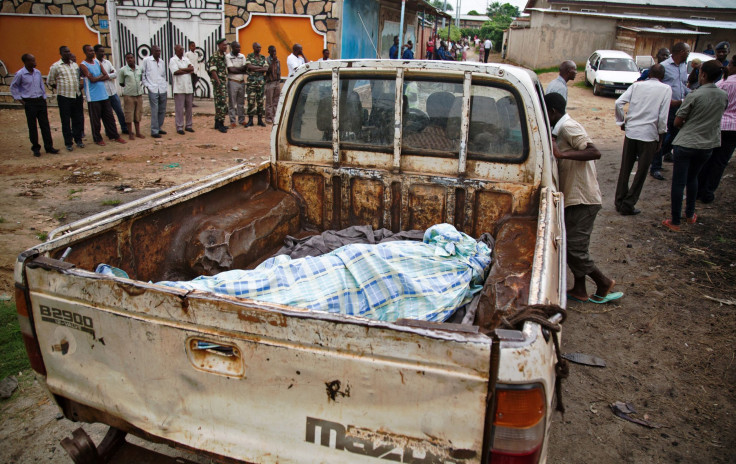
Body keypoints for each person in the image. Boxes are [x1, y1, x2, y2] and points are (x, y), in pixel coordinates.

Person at [544, 92, 621, 304]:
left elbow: (594, 152)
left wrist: (561, 155)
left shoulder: (569, 127)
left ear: (552, 111)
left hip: (583, 198)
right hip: (575, 197)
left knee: (574, 248)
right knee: (572, 242)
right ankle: (579, 288)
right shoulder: (560, 128)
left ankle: (603, 282)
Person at [662, 60, 728, 232]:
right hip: (707, 145)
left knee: (678, 182)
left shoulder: (695, 95)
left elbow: (677, 121)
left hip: (686, 143)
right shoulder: (722, 95)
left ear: (703, 74)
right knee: (693, 178)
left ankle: (675, 221)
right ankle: (690, 215)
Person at [614, 64, 671, 215]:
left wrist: (622, 122)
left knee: (625, 168)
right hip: (649, 135)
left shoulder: (637, 86)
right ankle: (628, 204)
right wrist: (661, 136)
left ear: (648, 74)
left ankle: (619, 201)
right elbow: (663, 117)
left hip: (632, 132)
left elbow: (618, 102)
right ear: (662, 77)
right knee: (641, 172)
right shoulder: (665, 89)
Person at [698, 57, 736, 203]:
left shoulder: (724, 83)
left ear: (733, 66)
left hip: (718, 124)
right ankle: (708, 193)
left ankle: (699, 190)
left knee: (707, 158)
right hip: (733, 128)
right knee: (720, 162)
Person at [650, 42, 690, 181]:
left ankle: (657, 157)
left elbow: (683, 86)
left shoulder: (684, 66)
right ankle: (655, 167)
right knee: (662, 134)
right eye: (687, 51)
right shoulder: (665, 67)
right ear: (680, 51)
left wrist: (691, 94)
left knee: (676, 136)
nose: (688, 54)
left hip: (680, 106)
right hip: (667, 107)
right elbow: (657, 86)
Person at [10, 53, 59, 156]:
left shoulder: (37, 73)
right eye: (32, 60)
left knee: (45, 125)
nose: (34, 62)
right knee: (32, 126)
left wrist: (44, 97)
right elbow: (13, 87)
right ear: (26, 62)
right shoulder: (20, 74)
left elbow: (41, 85)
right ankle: (36, 148)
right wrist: (21, 100)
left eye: (34, 60)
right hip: (29, 102)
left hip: (40, 101)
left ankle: (49, 147)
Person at [79, 45, 125, 146]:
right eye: (89, 51)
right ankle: (97, 138)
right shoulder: (83, 65)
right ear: (85, 52)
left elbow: (105, 75)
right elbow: (92, 79)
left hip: (104, 95)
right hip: (93, 97)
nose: (91, 53)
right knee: (95, 120)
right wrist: (101, 77)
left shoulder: (97, 62)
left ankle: (114, 135)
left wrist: (98, 77)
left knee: (109, 117)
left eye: (92, 51)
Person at [47, 45, 85, 151]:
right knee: (66, 121)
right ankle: (68, 143)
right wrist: (60, 88)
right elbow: (50, 81)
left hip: (76, 95)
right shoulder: (56, 66)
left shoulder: (74, 65)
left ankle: (78, 140)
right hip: (64, 97)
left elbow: (79, 77)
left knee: (77, 119)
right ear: (61, 54)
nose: (67, 53)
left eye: (69, 51)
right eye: (65, 52)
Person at [94, 44, 127, 135]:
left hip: (113, 91)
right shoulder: (94, 64)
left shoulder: (107, 62)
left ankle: (124, 128)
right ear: (96, 52)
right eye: (101, 51)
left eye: (103, 51)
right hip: (103, 94)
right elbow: (96, 77)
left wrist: (106, 76)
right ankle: (109, 131)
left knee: (119, 111)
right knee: (107, 114)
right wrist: (107, 75)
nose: (103, 53)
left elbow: (115, 74)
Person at [141, 45, 168, 138]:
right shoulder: (147, 61)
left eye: (159, 51)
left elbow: (163, 75)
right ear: (152, 51)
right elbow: (143, 74)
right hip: (152, 88)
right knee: (154, 109)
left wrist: (164, 84)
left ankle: (159, 127)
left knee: (162, 109)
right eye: (156, 51)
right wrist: (147, 85)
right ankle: (154, 130)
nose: (158, 52)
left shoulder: (162, 62)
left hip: (162, 88)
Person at [118, 52, 145, 140]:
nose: (130, 59)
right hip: (129, 95)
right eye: (128, 58)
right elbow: (121, 83)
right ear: (126, 60)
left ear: (134, 58)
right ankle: (130, 134)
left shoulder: (139, 69)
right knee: (129, 114)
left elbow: (141, 79)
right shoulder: (123, 70)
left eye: (131, 57)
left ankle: (138, 132)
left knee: (138, 114)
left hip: (139, 95)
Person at [170, 44, 195, 135]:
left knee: (189, 108)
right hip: (179, 88)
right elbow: (176, 72)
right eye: (180, 49)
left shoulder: (186, 59)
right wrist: (186, 70)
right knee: (179, 109)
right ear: (176, 50)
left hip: (188, 87)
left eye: (182, 49)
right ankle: (179, 127)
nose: (182, 50)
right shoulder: (173, 60)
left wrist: (183, 69)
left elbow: (192, 69)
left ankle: (189, 126)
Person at [208, 38, 229, 133]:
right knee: (221, 103)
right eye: (224, 45)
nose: (225, 47)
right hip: (218, 83)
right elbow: (213, 70)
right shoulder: (215, 56)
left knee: (221, 102)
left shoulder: (223, 55)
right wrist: (219, 83)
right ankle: (221, 124)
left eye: (226, 45)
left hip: (222, 82)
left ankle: (217, 123)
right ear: (219, 45)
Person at [246, 42, 268, 127]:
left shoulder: (263, 57)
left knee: (260, 102)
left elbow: (266, 68)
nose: (259, 49)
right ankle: (250, 120)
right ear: (254, 47)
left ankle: (260, 120)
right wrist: (260, 68)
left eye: (260, 47)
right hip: (251, 83)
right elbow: (249, 66)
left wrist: (255, 68)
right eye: (258, 47)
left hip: (260, 83)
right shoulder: (249, 56)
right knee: (251, 101)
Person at [225, 41, 247, 128]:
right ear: (232, 48)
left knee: (241, 103)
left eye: (239, 47)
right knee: (232, 103)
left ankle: (241, 120)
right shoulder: (228, 56)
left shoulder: (242, 56)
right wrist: (240, 69)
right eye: (237, 47)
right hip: (232, 81)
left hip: (241, 82)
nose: (238, 49)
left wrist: (237, 69)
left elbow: (245, 69)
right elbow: (231, 70)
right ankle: (233, 121)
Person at [264, 45, 281, 124]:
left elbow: (278, 70)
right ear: (269, 52)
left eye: (275, 51)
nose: (274, 53)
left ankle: (274, 116)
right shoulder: (266, 60)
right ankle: (268, 118)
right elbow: (268, 70)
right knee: (269, 101)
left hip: (277, 82)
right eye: (272, 51)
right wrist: (273, 61)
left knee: (276, 101)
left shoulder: (278, 60)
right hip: (270, 82)